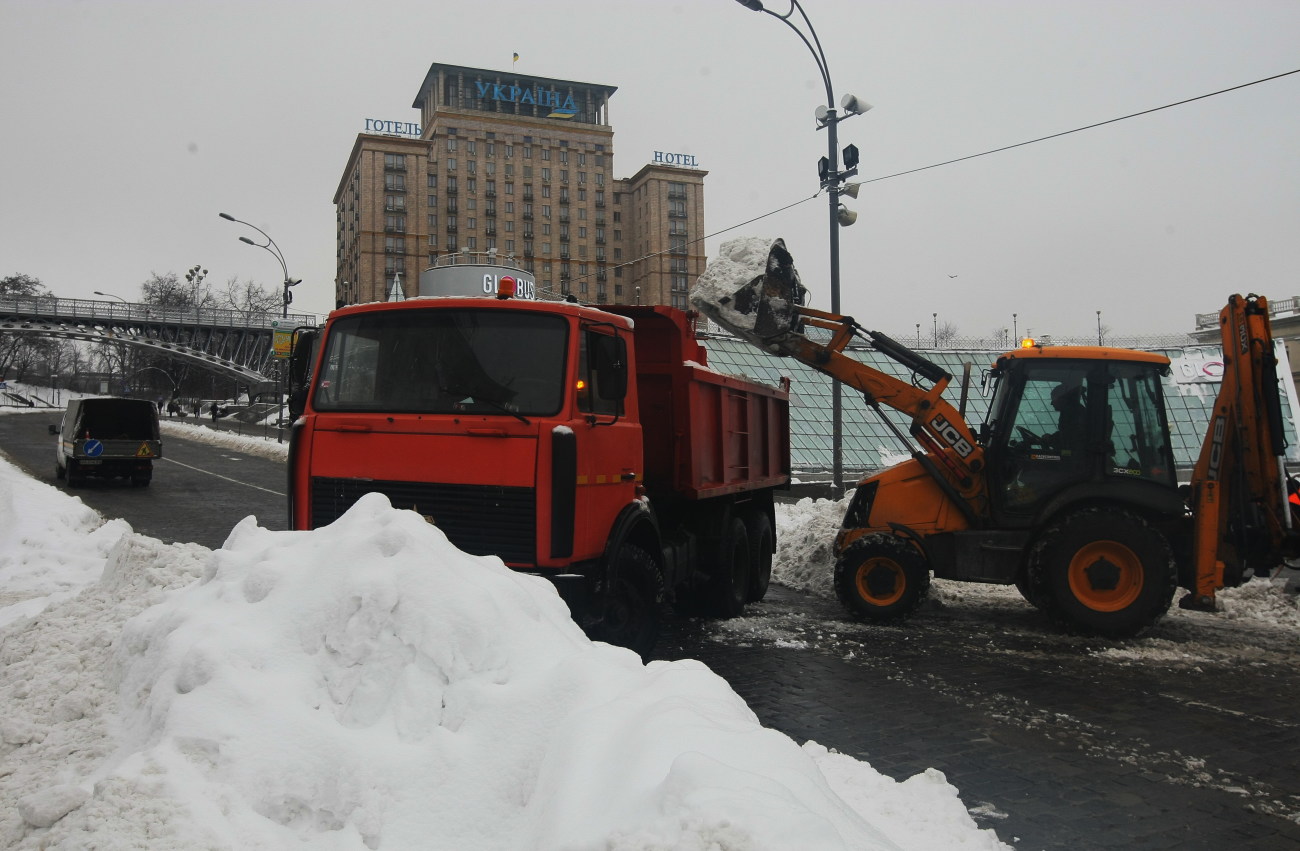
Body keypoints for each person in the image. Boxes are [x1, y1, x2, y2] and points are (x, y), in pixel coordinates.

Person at [1048, 381, 1087, 455]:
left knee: (1046, 456)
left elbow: (1071, 437)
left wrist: (1051, 439)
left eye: (1054, 398)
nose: (1052, 403)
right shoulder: (1072, 410)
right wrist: (1052, 438)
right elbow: (1067, 433)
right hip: (1073, 453)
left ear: (1063, 398)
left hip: (1072, 454)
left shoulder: (1072, 412)